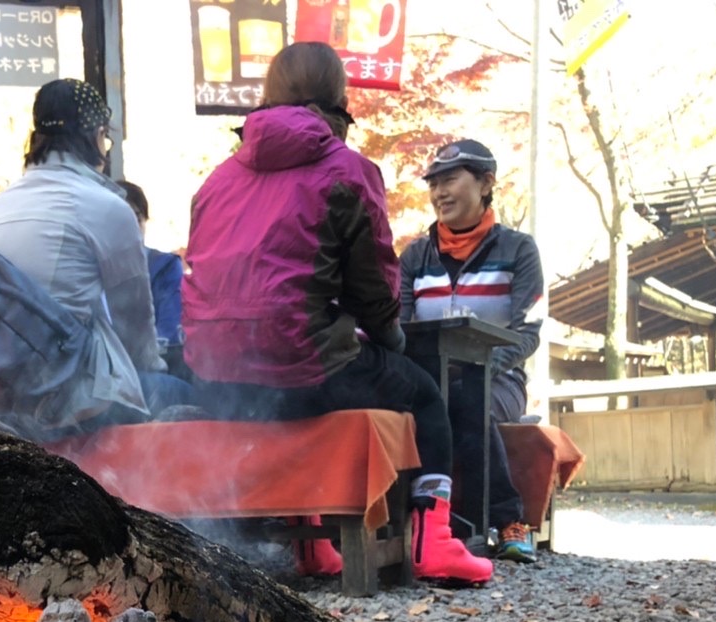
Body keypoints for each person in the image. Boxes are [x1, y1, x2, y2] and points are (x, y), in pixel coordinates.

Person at [182, 42, 490, 584]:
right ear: (339, 101)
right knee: (424, 396)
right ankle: (432, 541)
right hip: (304, 369)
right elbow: (373, 284)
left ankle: (315, 550)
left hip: (217, 375)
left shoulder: (216, 182)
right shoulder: (347, 170)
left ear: (267, 100)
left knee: (302, 382)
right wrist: (390, 336)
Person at [0, 79, 190, 439]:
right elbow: (134, 325)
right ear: (97, 135)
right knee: (179, 391)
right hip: (64, 401)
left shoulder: (0, 205)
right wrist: (155, 366)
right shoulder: (106, 207)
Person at [400, 139, 545, 564]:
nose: (439, 193)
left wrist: (483, 367)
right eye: (433, 184)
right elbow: (400, 327)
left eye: (450, 180)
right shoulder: (413, 256)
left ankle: (508, 521)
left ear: (485, 184)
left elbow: (528, 332)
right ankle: (406, 525)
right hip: (427, 378)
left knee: (469, 399)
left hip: (500, 379)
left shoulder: (519, 250)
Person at [117, 180, 186, 374]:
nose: (130, 229)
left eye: (137, 219)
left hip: (155, 369)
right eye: (122, 221)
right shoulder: (91, 269)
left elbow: (170, 334)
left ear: (146, 221)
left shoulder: (164, 267)